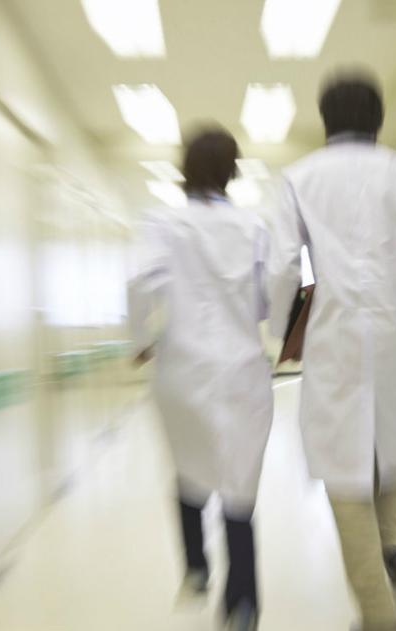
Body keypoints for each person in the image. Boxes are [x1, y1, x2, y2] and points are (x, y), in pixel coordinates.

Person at [268, 73, 396, 631]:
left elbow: (282, 266)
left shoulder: (298, 177)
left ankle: (378, 613)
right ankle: (395, 547)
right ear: (378, 119)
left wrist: (282, 331)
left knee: (344, 466)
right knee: (383, 442)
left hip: (337, 336)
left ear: (325, 120)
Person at [127, 128, 272, 631]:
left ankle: (195, 567)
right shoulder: (254, 225)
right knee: (239, 482)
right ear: (233, 170)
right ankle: (242, 603)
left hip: (182, 368)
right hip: (242, 368)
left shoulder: (161, 222)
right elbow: (269, 298)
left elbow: (137, 282)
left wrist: (139, 340)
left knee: (188, 465)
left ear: (184, 168)